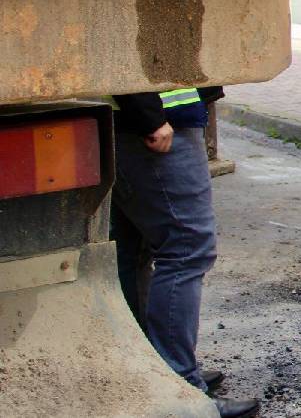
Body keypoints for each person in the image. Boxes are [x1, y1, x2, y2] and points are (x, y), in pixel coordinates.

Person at [110, 89, 260, 418]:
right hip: (157, 123)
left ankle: (152, 369)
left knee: (132, 251)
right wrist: (150, 115)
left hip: (132, 121)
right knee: (186, 250)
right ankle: (180, 384)